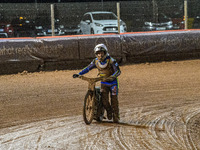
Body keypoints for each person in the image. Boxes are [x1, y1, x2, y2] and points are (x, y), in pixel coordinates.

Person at [73, 43, 121, 123]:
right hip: (104, 83)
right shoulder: (96, 62)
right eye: (98, 53)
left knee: (114, 100)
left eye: (101, 53)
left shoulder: (111, 60)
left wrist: (112, 77)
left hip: (113, 83)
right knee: (104, 100)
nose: (100, 55)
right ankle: (109, 111)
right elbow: (88, 68)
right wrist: (79, 74)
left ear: (105, 53)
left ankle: (116, 116)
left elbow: (118, 71)